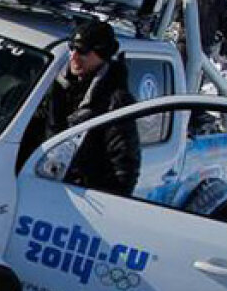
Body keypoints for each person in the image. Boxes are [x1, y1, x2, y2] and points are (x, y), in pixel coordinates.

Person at [20, 19, 140, 196]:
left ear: (101, 54)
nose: (74, 56)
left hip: (77, 194)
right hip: (33, 178)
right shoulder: (50, 82)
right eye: (72, 48)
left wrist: (106, 205)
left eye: (82, 51)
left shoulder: (115, 101)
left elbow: (124, 167)